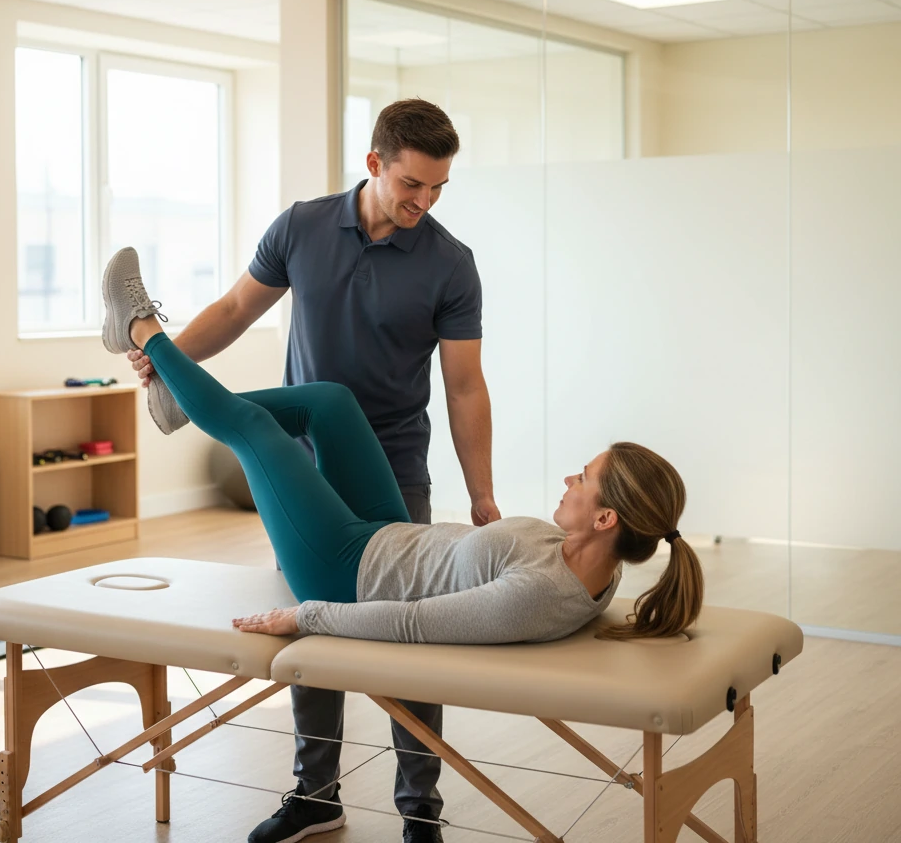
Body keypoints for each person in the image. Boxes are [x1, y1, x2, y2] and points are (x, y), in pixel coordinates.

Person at [101, 246, 705, 832]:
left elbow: (414, 622)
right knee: (331, 401)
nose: (570, 480)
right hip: (389, 534)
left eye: (584, 479)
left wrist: (306, 616)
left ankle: (140, 327)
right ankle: (184, 403)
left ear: (606, 520)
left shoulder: (541, 594)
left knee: (255, 428)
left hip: (346, 569)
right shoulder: (601, 563)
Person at [123, 99, 498, 843]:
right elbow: (236, 308)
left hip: (395, 464)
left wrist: (482, 494)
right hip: (303, 469)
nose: (424, 202)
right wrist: (171, 365)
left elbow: (464, 386)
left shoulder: (450, 263)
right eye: (412, 184)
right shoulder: (301, 227)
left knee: (408, 640)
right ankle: (316, 795)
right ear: (374, 163)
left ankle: (420, 810)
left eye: (438, 188)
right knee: (311, 626)